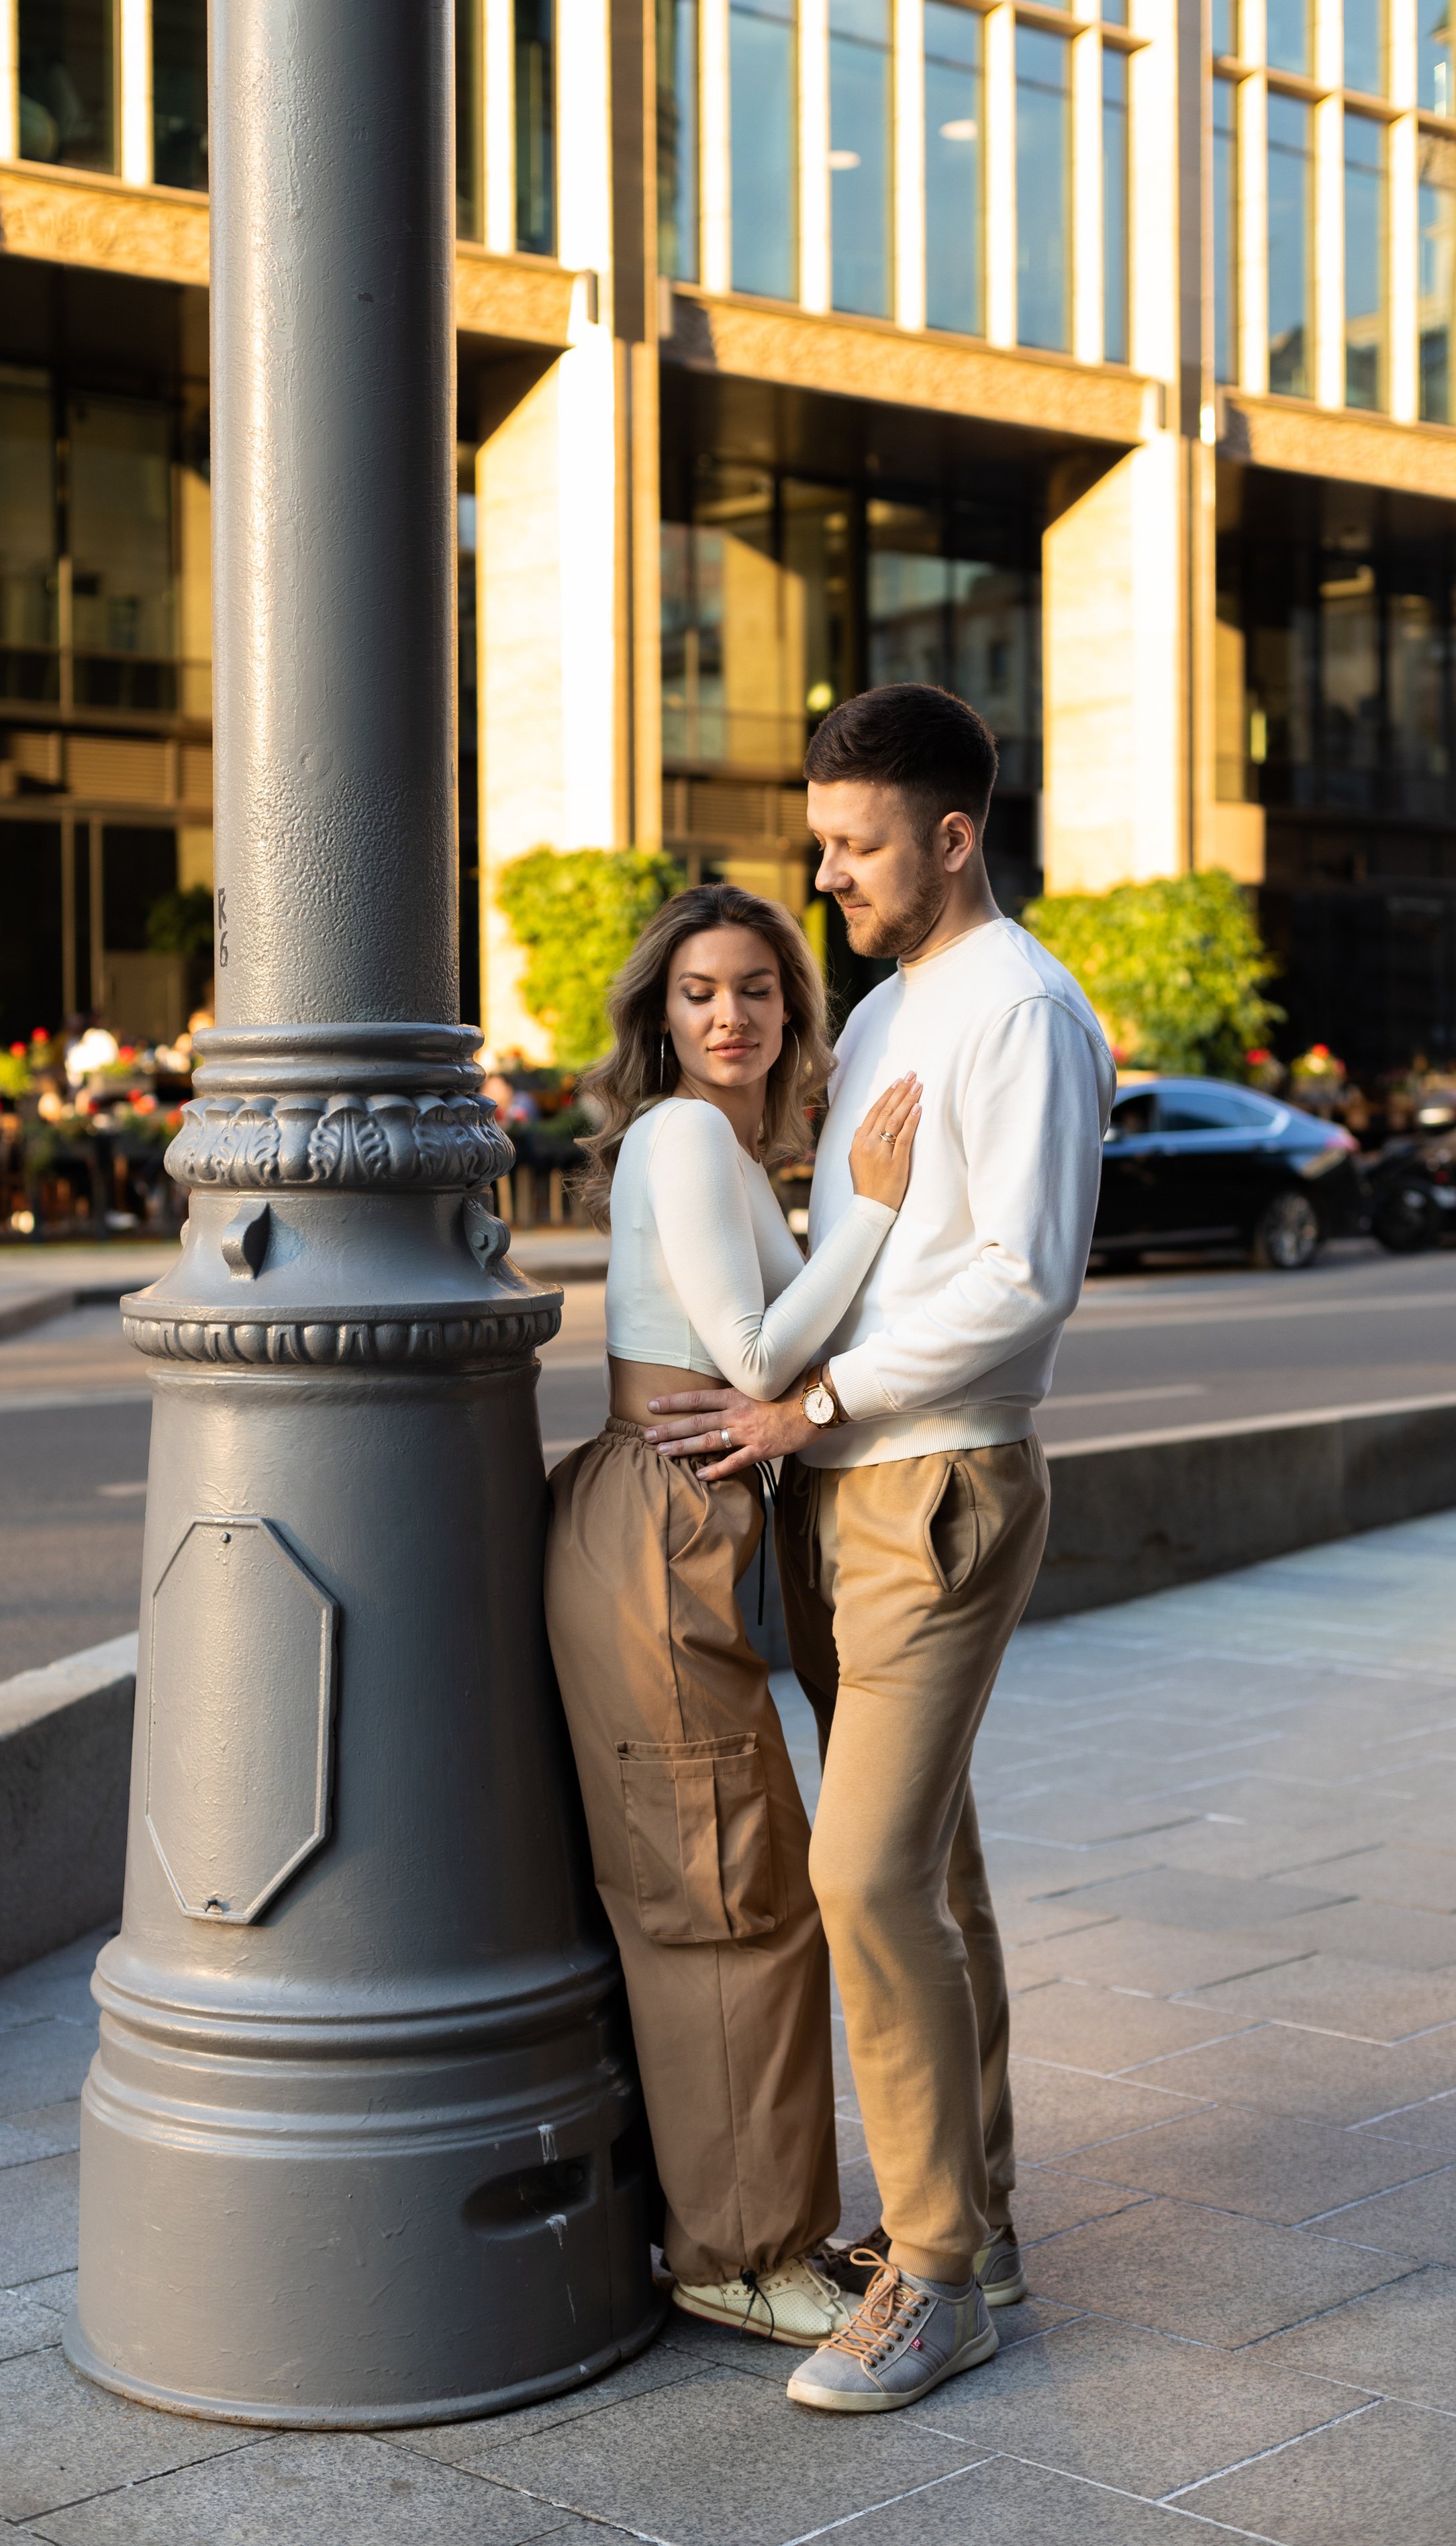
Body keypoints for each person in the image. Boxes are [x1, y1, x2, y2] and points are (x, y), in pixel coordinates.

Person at [643, 684, 1115, 2414]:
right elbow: (865, 1236)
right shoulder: (886, 1003)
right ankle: (969, 2233)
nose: (821, 870)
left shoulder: (1020, 1011)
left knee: (861, 1878)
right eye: (819, 840)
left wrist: (814, 1395)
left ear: (947, 836)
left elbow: (1019, 1279)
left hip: (932, 1484)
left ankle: (930, 2278)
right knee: (927, 1874)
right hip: (846, 1485)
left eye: (851, 844)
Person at [544, 883, 923, 2351]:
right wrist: (871, 1214)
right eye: (699, 991)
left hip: (668, 1525)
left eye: (757, 988)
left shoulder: (720, 1156)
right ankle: (742, 2251)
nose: (729, 1015)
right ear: (662, 1014)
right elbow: (760, 1351)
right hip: (659, 1521)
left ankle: (752, 2228)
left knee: (729, 1883)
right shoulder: (684, 1135)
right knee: (725, 1893)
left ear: (790, 1008)